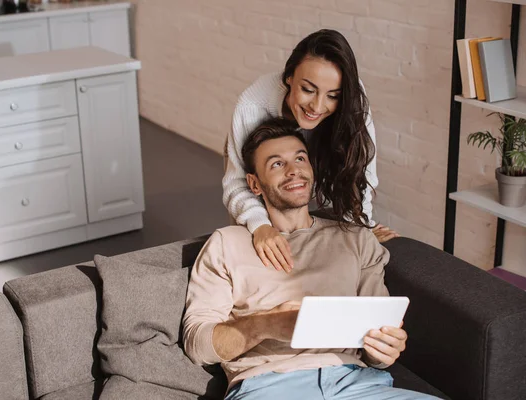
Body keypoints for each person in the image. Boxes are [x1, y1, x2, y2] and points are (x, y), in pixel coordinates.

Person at [184, 118, 439, 400]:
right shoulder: (227, 244)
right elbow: (198, 345)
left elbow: (375, 338)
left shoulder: (356, 239)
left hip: (356, 383)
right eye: (277, 164)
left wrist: (384, 349)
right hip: (268, 386)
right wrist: (265, 325)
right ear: (254, 184)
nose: (294, 171)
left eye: (300, 159)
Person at [223, 29, 399, 274]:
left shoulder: (352, 99)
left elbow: (360, 173)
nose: (317, 106)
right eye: (308, 90)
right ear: (289, 77)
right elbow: (238, 183)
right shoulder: (253, 105)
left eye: (332, 96)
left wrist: (360, 229)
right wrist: (260, 227)